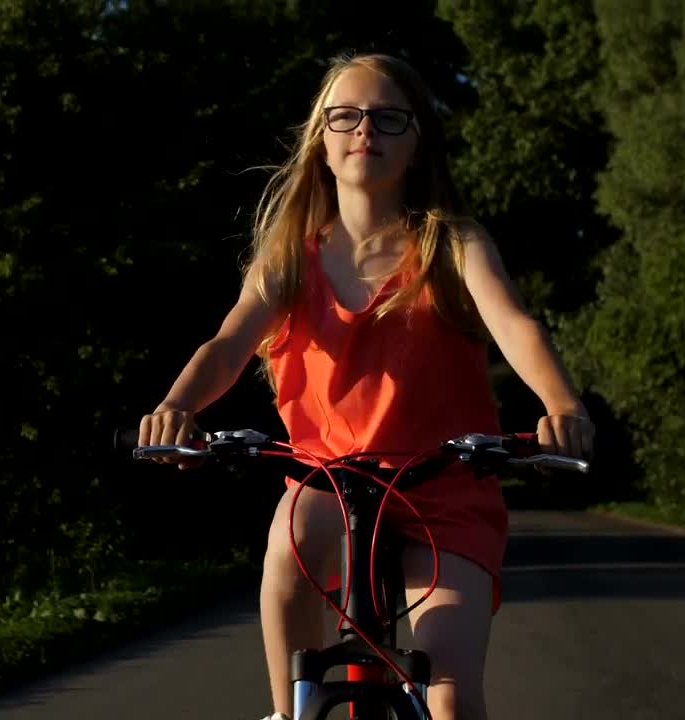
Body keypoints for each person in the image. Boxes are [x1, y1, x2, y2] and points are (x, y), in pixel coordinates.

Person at [136, 51, 595, 720]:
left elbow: (516, 326)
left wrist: (562, 404)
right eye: (344, 116)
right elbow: (230, 342)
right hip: (331, 477)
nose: (364, 131)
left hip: (445, 488)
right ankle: (290, 710)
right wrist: (176, 407)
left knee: (451, 696)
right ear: (320, 141)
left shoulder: (451, 243)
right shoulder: (292, 254)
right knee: (288, 548)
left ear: (418, 143)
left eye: (388, 118)